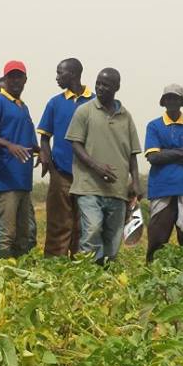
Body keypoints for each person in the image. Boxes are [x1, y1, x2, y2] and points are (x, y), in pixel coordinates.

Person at [64, 67, 142, 265]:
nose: (100, 87)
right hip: (89, 185)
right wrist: (96, 167)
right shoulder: (84, 111)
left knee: (113, 237)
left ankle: (106, 277)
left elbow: (133, 153)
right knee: (92, 229)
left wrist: (136, 181)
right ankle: (89, 275)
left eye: (106, 85)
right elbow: (75, 144)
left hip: (117, 189)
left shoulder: (126, 116)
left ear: (116, 87)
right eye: (98, 83)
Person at [0, 61, 38, 258]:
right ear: (5, 79)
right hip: (3, 181)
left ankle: (20, 276)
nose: (16, 80)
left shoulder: (23, 107)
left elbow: (29, 143)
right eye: (12, 76)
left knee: (25, 234)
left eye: (20, 76)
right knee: (6, 234)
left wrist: (42, 152)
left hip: (22, 181)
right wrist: (8, 145)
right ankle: (0, 275)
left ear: (26, 80)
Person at [37, 58, 94, 256]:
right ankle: (55, 264)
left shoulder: (95, 102)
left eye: (60, 73)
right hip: (61, 173)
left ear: (73, 74)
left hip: (88, 175)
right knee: (58, 223)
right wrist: (52, 168)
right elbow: (44, 139)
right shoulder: (55, 103)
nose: (57, 77)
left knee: (83, 225)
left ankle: (79, 264)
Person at [144, 84, 183, 262]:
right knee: (157, 238)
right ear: (163, 102)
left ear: (181, 101)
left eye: (175, 98)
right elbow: (153, 157)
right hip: (161, 188)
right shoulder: (154, 126)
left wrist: (166, 153)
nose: (172, 101)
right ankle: (152, 273)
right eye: (168, 98)